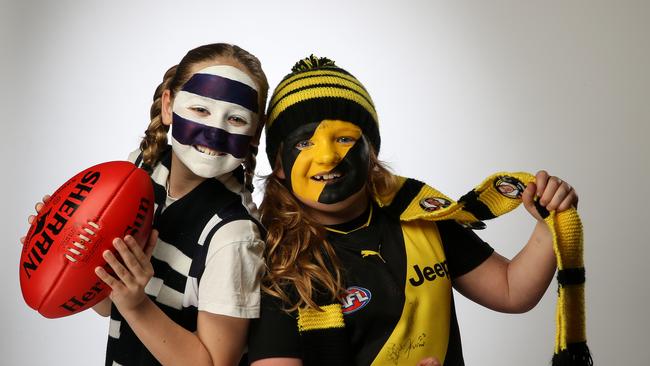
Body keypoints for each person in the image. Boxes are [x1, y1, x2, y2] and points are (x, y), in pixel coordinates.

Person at [245, 56, 580, 366]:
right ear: (279, 165)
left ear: (371, 150)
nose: (328, 157)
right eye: (305, 143)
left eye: (344, 139)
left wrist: (549, 222)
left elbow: (511, 291)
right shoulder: (274, 260)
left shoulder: (419, 217)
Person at [24, 43, 269, 366]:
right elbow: (109, 304)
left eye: (236, 118)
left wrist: (136, 305)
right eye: (200, 110)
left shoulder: (233, 236)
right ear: (168, 106)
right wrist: (66, 249)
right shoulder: (140, 173)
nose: (214, 131)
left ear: (255, 132)